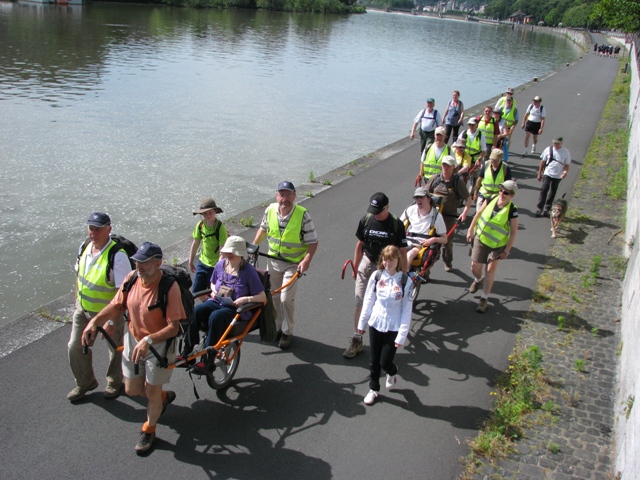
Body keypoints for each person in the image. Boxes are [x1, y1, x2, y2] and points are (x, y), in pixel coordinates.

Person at [82, 242, 186, 453]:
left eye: (144, 262)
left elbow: (174, 328)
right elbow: (116, 305)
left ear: (158, 263)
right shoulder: (131, 279)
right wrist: (95, 322)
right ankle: (163, 399)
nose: (139, 266)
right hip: (134, 339)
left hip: (158, 345)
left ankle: (149, 429)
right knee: (132, 389)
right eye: (137, 261)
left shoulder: (169, 287)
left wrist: (149, 340)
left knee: (152, 391)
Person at [68, 212, 132, 403]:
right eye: (91, 228)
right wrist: (76, 303)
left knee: (115, 349)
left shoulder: (117, 256)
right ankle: (85, 382)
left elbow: (124, 292)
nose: (93, 233)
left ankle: (114, 381)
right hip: (84, 310)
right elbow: (78, 277)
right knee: (75, 346)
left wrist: (112, 320)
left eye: (98, 229)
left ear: (109, 229)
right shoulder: (84, 247)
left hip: (108, 312)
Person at [184, 236, 267, 373]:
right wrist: (214, 290)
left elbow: (262, 297)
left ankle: (208, 360)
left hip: (236, 309)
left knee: (215, 317)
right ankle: (188, 351)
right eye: (227, 252)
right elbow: (212, 282)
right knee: (197, 310)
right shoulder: (220, 265)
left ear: (240, 254)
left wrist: (245, 299)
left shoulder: (248, 271)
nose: (228, 255)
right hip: (218, 301)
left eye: (231, 253)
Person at [253, 181, 318, 350]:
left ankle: (287, 332)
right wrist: (253, 247)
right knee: (273, 297)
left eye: (289, 194)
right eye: (282, 194)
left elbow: (313, 242)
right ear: (277, 196)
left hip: (293, 264)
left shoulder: (303, 215)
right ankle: (277, 327)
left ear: (295, 196)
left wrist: (306, 261)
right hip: (273, 261)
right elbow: (263, 229)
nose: (285, 198)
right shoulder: (270, 210)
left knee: (286, 299)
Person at [344, 192, 408, 359]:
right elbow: (360, 244)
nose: (375, 214)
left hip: (386, 268)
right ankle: (357, 339)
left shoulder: (396, 224)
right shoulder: (366, 220)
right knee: (359, 301)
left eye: (378, 211)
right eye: (373, 210)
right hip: (367, 262)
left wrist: (404, 275)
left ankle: (382, 339)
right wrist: (356, 266)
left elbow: (402, 251)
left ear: (387, 207)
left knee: (378, 303)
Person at [357, 245, 412, 405]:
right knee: (374, 360)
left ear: (398, 261)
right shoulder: (376, 276)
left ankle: (392, 372)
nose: (388, 263)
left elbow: (406, 310)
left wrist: (401, 335)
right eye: (385, 259)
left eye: (391, 260)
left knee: (385, 361)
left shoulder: (404, 281)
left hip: (393, 326)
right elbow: (368, 300)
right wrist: (362, 323)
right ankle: (373, 389)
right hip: (376, 323)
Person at [466, 180, 519, 314]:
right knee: (475, 266)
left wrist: (507, 250)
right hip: (481, 238)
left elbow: (513, 233)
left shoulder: (512, 210)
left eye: (506, 192)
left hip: (497, 244)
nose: (502, 193)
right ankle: (478, 279)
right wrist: (470, 230)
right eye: (501, 190)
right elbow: (478, 214)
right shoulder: (490, 199)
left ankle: (484, 299)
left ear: (512, 195)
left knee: (490, 269)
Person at [425, 156, 472, 271]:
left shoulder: (457, 182)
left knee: (447, 242)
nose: (445, 167)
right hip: (434, 216)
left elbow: (468, 198)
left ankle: (448, 262)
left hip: (449, 217)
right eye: (443, 165)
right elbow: (424, 193)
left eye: (448, 165)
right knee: (430, 243)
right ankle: (426, 269)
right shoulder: (435, 178)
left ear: (453, 167)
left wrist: (465, 213)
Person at [188, 198, 228, 297]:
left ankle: (210, 307)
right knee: (196, 291)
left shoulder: (220, 228)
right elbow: (195, 243)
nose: (208, 215)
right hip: (202, 263)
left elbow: (222, 250)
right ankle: (207, 304)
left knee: (213, 292)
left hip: (215, 265)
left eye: (210, 212)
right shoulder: (200, 225)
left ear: (215, 212)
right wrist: (191, 260)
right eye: (205, 213)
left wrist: (218, 267)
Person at [400, 187, 447, 267]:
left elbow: (444, 239)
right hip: (405, 241)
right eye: (416, 198)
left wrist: (434, 239)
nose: (418, 200)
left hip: (419, 244)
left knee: (409, 255)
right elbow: (399, 224)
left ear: (428, 199)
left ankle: (402, 278)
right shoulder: (410, 210)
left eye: (421, 197)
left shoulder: (436, 216)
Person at [536, 137, 571, 217]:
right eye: (554, 143)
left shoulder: (565, 152)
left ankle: (547, 209)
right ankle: (539, 208)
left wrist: (565, 172)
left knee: (552, 192)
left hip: (558, 175)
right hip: (547, 173)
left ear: (561, 143)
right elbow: (543, 162)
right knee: (544, 189)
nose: (555, 145)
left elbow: (567, 165)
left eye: (557, 143)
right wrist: (539, 173)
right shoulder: (548, 149)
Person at [458, 117, 486, 197]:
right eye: (469, 124)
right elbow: (457, 144)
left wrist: (479, 159)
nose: (471, 126)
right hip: (465, 160)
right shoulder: (464, 133)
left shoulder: (481, 135)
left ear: (476, 125)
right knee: (463, 178)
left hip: (475, 161)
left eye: (473, 125)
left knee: (473, 179)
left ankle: (472, 192)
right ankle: (462, 195)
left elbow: (484, 150)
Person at [499, 97, 519, 162]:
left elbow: (516, 120)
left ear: (512, 102)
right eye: (507, 101)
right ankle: (500, 155)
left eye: (510, 101)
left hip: (509, 129)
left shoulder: (514, 110)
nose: (508, 102)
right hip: (501, 128)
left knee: (507, 142)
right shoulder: (501, 108)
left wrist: (513, 125)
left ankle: (505, 155)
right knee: (500, 141)